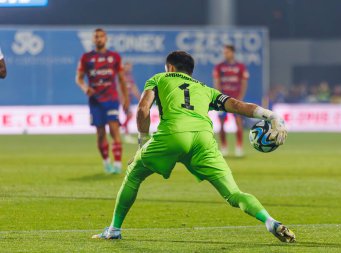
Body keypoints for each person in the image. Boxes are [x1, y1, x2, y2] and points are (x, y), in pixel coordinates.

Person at [92, 51, 295, 243]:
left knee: (134, 174)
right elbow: (237, 105)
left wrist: (143, 144)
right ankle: (270, 222)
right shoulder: (205, 89)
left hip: (173, 135)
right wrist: (272, 115)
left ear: (170, 68)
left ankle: (114, 230)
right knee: (233, 194)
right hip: (203, 140)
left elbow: (143, 109)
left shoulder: (159, 78)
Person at [76, 28, 129, 174]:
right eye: (96, 37)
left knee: (114, 129)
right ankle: (106, 163)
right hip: (95, 100)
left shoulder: (115, 57)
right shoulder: (86, 58)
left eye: (101, 36)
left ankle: (117, 165)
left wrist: (126, 99)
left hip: (111, 98)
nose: (98, 39)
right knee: (100, 133)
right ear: (93, 40)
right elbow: (79, 78)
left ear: (105, 39)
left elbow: (122, 80)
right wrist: (84, 87)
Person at [213, 45, 249, 157]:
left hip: (236, 99)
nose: (225, 54)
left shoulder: (240, 67)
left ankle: (239, 148)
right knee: (222, 124)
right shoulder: (219, 67)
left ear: (233, 53)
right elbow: (217, 82)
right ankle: (224, 147)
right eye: (224, 52)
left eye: (227, 52)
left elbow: (244, 83)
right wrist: (219, 97)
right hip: (223, 99)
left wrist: (241, 97)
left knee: (238, 122)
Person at [121, 62, 141, 143]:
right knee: (129, 115)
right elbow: (118, 88)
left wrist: (139, 97)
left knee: (129, 115)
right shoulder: (121, 76)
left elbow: (133, 87)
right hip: (124, 99)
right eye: (127, 67)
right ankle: (123, 129)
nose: (129, 69)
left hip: (129, 99)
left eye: (130, 67)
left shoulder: (129, 76)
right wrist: (122, 99)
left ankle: (126, 133)